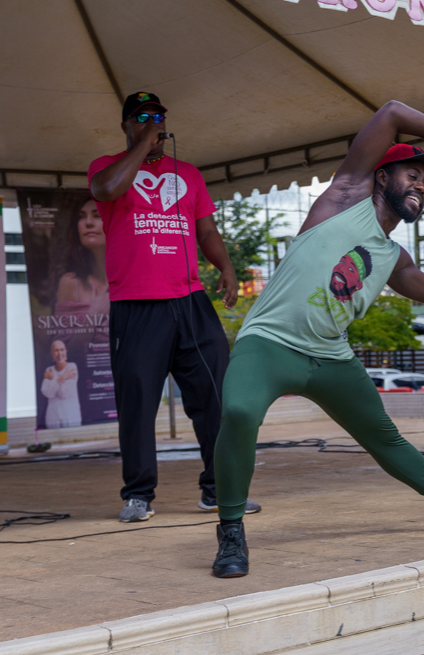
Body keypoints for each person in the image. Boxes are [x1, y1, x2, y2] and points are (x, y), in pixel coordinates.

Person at [211, 100, 424, 579]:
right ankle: (230, 528)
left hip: (330, 358)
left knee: (384, 438)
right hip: (269, 344)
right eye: (411, 174)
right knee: (237, 412)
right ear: (381, 177)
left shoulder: (394, 257)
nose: (420, 184)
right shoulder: (343, 199)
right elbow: (393, 111)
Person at [88, 91, 260, 523]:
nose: (155, 123)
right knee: (138, 401)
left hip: (190, 301)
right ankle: (139, 494)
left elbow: (206, 230)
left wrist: (226, 267)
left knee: (216, 395)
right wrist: (143, 145)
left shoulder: (189, 174)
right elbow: (106, 189)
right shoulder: (106, 168)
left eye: (160, 116)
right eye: (144, 117)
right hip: (136, 305)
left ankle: (219, 489)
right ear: (127, 124)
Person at [55, 197, 109, 322]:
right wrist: (95, 314)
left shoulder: (131, 279)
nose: (88, 222)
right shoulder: (70, 283)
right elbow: (64, 341)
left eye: (97, 215)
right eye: (81, 217)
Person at [41, 339, 82, 428]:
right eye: (56, 350)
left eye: (62, 350)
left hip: (70, 416)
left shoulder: (72, 367)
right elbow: (48, 393)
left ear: (66, 352)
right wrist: (63, 377)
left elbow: (63, 393)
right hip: (53, 417)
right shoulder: (49, 370)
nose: (60, 353)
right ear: (52, 353)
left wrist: (53, 379)